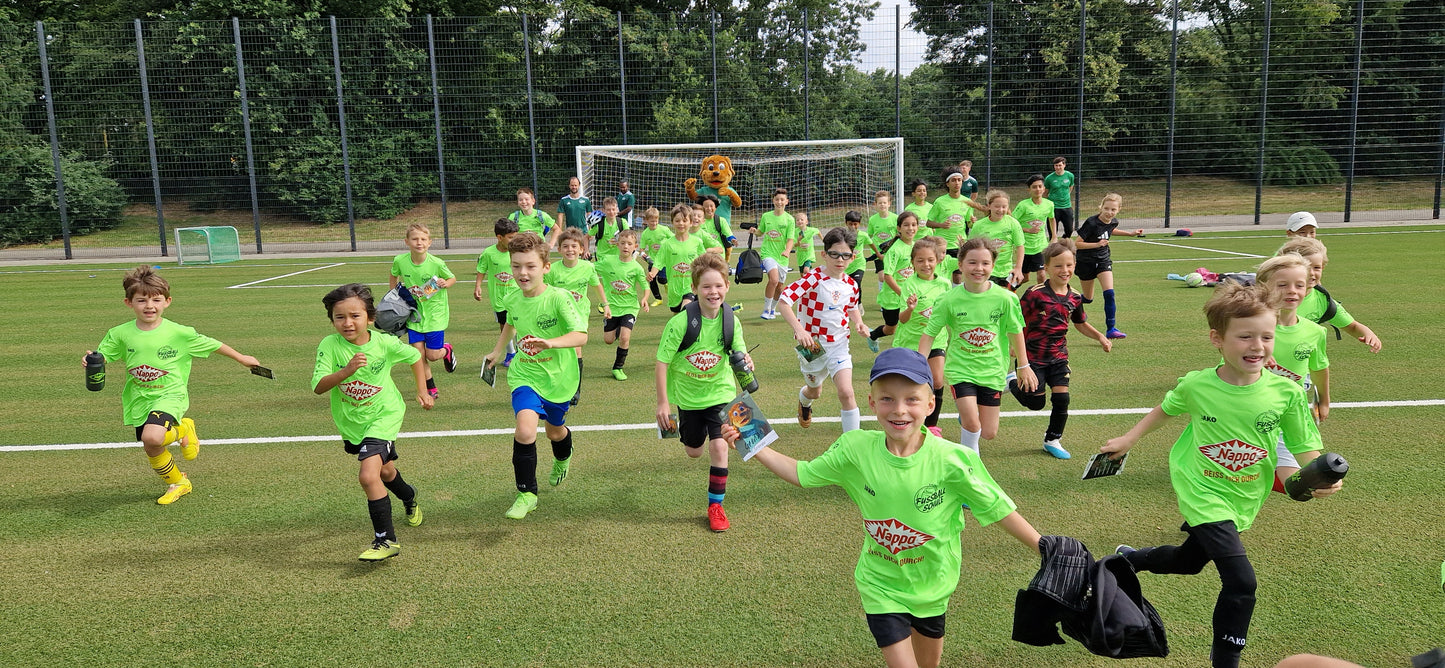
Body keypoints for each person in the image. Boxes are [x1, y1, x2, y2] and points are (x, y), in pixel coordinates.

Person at [725, 347, 1042, 668]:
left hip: (934, 586)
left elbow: (998, 507)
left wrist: (1043, 547)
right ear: (872, 402)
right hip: (880, 586)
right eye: (888, 398)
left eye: (912, 399)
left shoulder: (953, 459)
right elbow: (802, 473)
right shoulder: (855, 448)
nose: (899, 410)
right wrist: (753, 443)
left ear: (931, 404)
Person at [1102, 281, 1341, 668]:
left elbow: (1304, 448)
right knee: (1242, 582)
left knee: (1188, 560)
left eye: (1267, 336)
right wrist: (1129, 439)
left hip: (1245, 494)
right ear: (1218, 338)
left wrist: (1320, 475)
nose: (1258, 346)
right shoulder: (1198, 385)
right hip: (1202, 490)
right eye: (1245, 337)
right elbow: (1165, 409)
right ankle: (1226, 659)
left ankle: (1130, 560)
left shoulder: (1287, 394)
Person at [86, 265, 261, 505]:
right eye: (141, 300)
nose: (150, 306)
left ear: (167, 301)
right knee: (151, 445)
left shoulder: (179, 333)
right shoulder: (119, 333)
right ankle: (178, 483)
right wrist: (94, 360)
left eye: (156, 300)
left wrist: (242, 358)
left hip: (170, 395)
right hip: (139, 397)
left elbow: (212, 344)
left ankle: (184, 429)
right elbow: (106, 354)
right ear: (129, 303)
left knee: (154, 438)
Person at [311, 283, 433, 561]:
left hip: (384, 415)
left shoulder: (385, 343)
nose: (347, 322)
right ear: (331, 320)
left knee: (368, 476)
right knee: (386, 472)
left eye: (355, 316)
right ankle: (409, 496)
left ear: (370, 318)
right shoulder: (329, 346)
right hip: (353, 422)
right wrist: (347, 370)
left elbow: (415, 356)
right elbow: (319, 386)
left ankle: (386, 540)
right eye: (339, 317)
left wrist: (422, 391)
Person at [482, 232, 589, 520]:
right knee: (526, 430)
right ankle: (527, 493)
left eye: (529, 266)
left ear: (545, 267)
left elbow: (581, 336)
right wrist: (496, 351)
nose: (522, 273)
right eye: (516, 266)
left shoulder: (559, 299)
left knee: (555, 431)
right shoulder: (512, 297)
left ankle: (563, 456)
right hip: (525, 374)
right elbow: (511, 325)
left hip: (559, 379)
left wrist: (551, 343)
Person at [655, 253, 753, 533]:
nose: (714, 292)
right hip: (688, 399)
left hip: (721, 393)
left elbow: (739, 349)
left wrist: (746, 358)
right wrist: (663, 403)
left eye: (719, 286)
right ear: (695, 288)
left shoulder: (731, 320)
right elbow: (662, 362)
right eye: (707, 287)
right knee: (693, 451)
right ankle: (692, 439)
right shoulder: (679, 324)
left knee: (720, 446)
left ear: (727, 287)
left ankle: (716, 506)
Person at [920, 237, 1037, 451]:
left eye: (985, 263)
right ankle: (970, 465)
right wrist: (918, 365)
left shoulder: (1005, 299)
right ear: (961, 264)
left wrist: (1023, 365)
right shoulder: (948, 299)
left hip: (992, 370)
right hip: (960, 369)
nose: (979, 268)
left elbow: (1015, 331)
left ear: (993, 265)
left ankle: (967, 415)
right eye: (972, 262)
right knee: (973, 424)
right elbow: (929, 334)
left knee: (988, 432)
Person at [1011, 240, 1111, 460]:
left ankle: (1052, 439)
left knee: (1062, 399)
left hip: (1058, 357)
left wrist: (1100, 336)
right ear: (1046, 268)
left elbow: (1080, 323)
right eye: (1058, 266)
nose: (1064, 270)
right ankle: (1011, 382)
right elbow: (1015, 322)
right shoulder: (1034, 293)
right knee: (1036, 403)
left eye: (1069, 265)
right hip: (1032, 357)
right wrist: (1015, 351)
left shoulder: (1075, 297)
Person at [780, 226, 871, 432]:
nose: (840, 260)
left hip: (839, 343)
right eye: (835, 254)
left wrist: (859, 322)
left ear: (853, 257)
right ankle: (804, 402)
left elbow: (852, 306)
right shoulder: (813, 278)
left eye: (846, 256)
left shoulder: (851, 284)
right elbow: (784, 301)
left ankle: (852, 445)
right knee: (815, 391)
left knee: (846, 393)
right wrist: (800, 330)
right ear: (824, 254)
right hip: (811, 346)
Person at [1252, 254, 1330, 488]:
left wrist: (1323, 401)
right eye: (1282, 285)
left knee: (1304, 484)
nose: (1292, 291)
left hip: (1288, 411)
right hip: (1250, 409)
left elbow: (1319, 367)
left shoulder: (1315, 332)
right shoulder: (1250, 326)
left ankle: (1272, 473)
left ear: (1308, 289)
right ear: (1263, 288)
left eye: (1299, 285)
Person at [1277, 236, 1383, 353]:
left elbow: (1351, 326)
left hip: (1299, 366)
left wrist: (1368, 334)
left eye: (1316, 267)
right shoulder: (1270, 296)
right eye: (1306, 268)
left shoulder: (1322, 300)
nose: (1312, 273)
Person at [892, 236, 952, 437]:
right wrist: (910, 308)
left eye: (930, 260)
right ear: (913, 263)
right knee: (912, 383)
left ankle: (932, 426)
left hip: (937, 339)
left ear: (938, 260)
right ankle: (907, 419)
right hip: (910, 341)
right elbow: (902, 319)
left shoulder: (945, 284)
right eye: (920, 261)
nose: (926, 265)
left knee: (937, 381)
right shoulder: (910, 284)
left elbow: (949, 314)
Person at [390, 223, 458, 399]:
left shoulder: (436, 263)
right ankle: (430, 387)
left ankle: (446, 350)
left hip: (435, 315)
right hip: (413, 315)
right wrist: (393, 295)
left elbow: (452, 278)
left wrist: (445, 283)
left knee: (433, 355)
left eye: (423, 239)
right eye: (414, 239)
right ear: (407, 241)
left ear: (429, 242)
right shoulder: (400, 260)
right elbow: (393, 274)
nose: (419, 242)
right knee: (418, 355)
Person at [546, 228, 605, 406]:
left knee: (576, 350)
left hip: (578, 315)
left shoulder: (588, 267)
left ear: (581, 249)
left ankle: (574, 391)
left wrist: (605, 304)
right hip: (557, 316)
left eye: (574, 246)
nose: (570, 250)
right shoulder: (553, 270)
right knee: (558, 351)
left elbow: (597, 285)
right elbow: (546, 292)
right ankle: (556, 385)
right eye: (565, 246)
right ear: (559, 249)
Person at [1074, 193, 1143, 340]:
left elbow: (1110, 230)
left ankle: (1111, 329)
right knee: (1087, 298)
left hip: (1104, 260)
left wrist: (1130, 234)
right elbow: (1077, 243)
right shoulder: (1091, 223)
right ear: (1101, 207)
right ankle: (1070, 301)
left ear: (1118, 210)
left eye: (1113, 210)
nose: (1109, 212)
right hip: (1086, 262)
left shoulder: (1113, 221)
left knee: (1109, 293)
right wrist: (1096, 244)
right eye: (1106, 208)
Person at [597, 229, 649, 381]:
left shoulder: (636, 267)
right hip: (611, 307)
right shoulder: (608, 262)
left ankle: (618, 367)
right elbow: (590, 270)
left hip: (630, 307)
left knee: (625, 338)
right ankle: (616, 326)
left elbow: (645, 286)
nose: (626, 246)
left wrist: (645, 298)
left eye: (629, 244)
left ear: (635, 246)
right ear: (617, 245)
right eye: (623, 243)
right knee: (608, 340)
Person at [868, 211, 922, 351]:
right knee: (891, 329)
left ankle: (908, 354)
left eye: (914, 225)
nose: (910, 228)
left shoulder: (916, 246)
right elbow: (888, 276)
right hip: (892, 298)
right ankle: (872, 335)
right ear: (899, 228)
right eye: (906, 225)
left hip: (909, 297)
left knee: (909, 327)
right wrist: (902, 293)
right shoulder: (894, 250)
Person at [474, 218, 520, 368]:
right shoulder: (488, 253)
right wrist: (478, 286)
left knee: (520, 323)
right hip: (498, 298)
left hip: (517, 294)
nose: (514, 240)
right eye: (511, 237)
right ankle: (511, 353)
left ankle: (522, 352)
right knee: (504, 326)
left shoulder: (517, 251)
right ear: (499, 238)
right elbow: (481, 270)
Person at [649, 203, 709, 314]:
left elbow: (704, 262)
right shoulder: (667, 244)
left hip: (691, 287)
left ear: (690, 222)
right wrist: (652, 274)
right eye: (677, 221)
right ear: (672, 222)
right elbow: (658, 262)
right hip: (674, 290)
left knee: (686, 312)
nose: (681, 223)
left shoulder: (696, 242)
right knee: (678, 318)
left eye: (684, 220)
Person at [962, 190, 1026, 289]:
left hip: (1007, 271)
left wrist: (1018, 268)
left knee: (1008, 300)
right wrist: (963, 247)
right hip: (986, 270)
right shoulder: (979, 225)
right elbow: (971, 247)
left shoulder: (1013, 223)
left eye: (1004, 207)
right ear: (989, 206)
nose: (1000, 210)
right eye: (997, 206)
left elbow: (1020, 246)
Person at [755, 187, 797, 319]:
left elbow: (790, 239)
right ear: (773, 200)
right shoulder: (766, 216)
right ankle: (766, 310)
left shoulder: (789, 219)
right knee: (773, 279)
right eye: (777, 199)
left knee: (779, 287)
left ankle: (773, 309)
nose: (779, 202)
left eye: (782, 199)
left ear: (787, 202)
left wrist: (787, 250)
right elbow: (760, 232)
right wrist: (754, 231)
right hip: (768, 254)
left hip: (782, 257)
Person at [1012, 175, 1057, 285]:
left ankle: (1041, 299)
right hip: (1024, 247)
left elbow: (1052, 218)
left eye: (1040, 186)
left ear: (1044, 188)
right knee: (1023, 278)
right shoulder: (1023, 205)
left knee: (1042, 275)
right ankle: (1009, 292)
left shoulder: (1049, 204)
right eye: (1034, 187)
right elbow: (1011, 223)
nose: (1037, 189)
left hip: (1040, 246)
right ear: (1029, 189)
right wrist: (1027, 230)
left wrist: (1054, 236)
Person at [926, 168, 972, 257]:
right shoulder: (939, 202)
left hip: (960, 244)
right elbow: (928, 223)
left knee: (960, 271)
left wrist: (972, 222)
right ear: (947, 183)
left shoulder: (967, 202)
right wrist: (941, 225)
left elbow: (969, 224)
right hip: (942, 246)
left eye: (959, 180)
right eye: (953, 180)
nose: (957, 183)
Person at [638, 206, 672, 307]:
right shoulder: (645, 234)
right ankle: (658, 299)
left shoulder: (664, 229)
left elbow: (674, 239)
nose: (654, 223)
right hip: (652, 261)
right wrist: (646, 257)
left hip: (665, 260)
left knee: (662, 280)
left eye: (656, 220)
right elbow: (641, 250)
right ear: (647, 221)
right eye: (652, 221)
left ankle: (666, 284)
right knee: (651, 280)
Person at [554, 175, 592, 250]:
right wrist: (560, 230)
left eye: (575, 185)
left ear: (579, 185)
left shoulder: (585, 200)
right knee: (572, 251)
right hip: (570, 231)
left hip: (583, 230)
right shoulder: (564, 200)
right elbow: (560, 215)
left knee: (584, 252)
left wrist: (590, 230)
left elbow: (589, 215)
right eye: (572, 185)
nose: (574, 187)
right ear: (569, 186)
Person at [843, 210, 877, 292]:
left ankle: (859, 304)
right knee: (846, 287)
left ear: (859, 223)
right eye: (850, 224)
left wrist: (878, 255)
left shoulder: (863, 235)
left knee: (857, 284)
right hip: (847, 266)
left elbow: (871, 244)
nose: (853, 226)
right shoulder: (843, 235)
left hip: (859, 264)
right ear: (846, 223)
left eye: (855, 224)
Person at [591, 197, 630, 266]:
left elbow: (629, 238)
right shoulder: (599, 224)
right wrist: (586, 250)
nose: (611, 212)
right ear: (604, 210)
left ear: (617, 209)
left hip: (618, 258)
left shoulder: (622, 222)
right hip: (602, 258)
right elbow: (586, 237)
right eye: (608, 210)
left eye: (613, 209)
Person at [1044, 156, 1076, 238]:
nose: (1058, 167)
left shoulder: (1070, 176)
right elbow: (1045, 193)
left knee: (1069, 230)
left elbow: (1070, 187)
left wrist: (1065, 196)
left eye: (1060, 165)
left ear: (1064, 165)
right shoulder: (1049, 178)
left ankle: (1063, 242)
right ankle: (1052, 248)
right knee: (1052, 232)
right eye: (1056, 165)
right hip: (1054, 208)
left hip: (1067, 207)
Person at [699, 194, 736, 261]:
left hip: (718, 256)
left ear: (715, 207)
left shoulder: (720, 220)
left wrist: (732, 240)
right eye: (706, 206)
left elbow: (729, 235)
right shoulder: (697, 222)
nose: (709, 209)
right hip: (702, 256)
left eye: (711, 206)